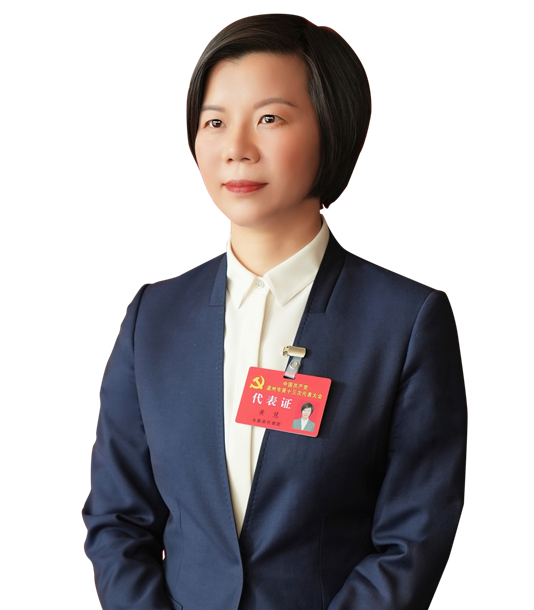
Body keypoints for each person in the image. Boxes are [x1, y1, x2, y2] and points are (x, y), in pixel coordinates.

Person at [82, 13, 466, 610]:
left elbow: (411, 540)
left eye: (269, 119)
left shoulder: (406, 322)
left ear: (331, 128)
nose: (236, 149)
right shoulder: (151, 316)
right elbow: (116, 520)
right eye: (215, 122)